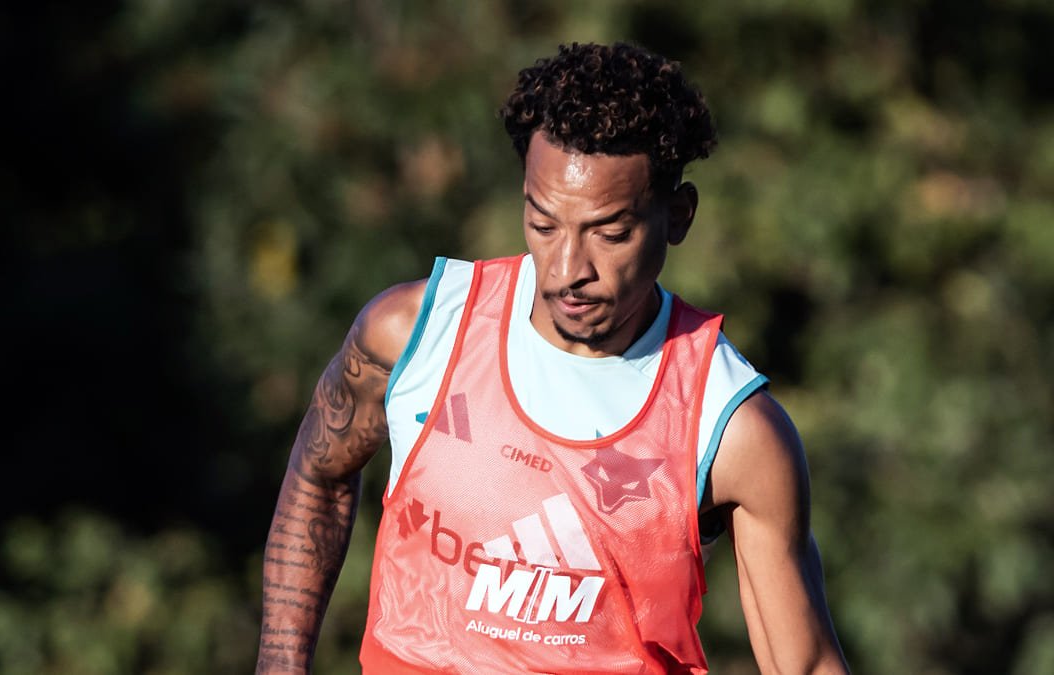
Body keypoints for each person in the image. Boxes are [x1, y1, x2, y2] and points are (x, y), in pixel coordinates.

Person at [257, 42, 849, 674]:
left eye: (610, 234)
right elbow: (318, 479)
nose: (568, 272)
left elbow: (805, 665)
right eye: (543, 224)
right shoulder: (413, 335)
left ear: (678, 217)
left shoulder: (729, 428)